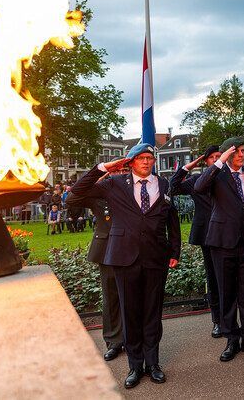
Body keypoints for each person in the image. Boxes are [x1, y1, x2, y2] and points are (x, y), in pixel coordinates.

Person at [71, 143, 181, 389]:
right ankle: (135, 366)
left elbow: (170, 219)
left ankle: (153, 363)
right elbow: (76, 193)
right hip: (124, 257)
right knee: (130, 313)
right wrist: (102, 168)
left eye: (150, 158)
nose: (146, 162)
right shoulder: (114, 184)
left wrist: (175, 250)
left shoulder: (163, 185)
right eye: (141, 158)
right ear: (130, 162)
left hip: (155, 258)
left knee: (152, 313)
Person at [194, 137, 244, 362]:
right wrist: (220, 162)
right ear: (227, 154)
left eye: (243, 151)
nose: (241, 155)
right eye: (236, 152)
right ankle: (231, 339)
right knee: (227, 293)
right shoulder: (217, 174)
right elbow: (198, 187)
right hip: (222, 242)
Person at [169, 145, 224, 338]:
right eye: (213, 157)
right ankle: (217, 321)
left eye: (220, 156)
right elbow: (173, 187)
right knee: (213, 277)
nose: (218, 159)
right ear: (206, 161)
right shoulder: (195, 181)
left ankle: (231, 318)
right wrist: (188, 166)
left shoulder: (229, 178)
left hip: (228, 234)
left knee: (229, 277)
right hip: (207, 235)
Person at [65, 183, 123, 362]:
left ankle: (131, 338)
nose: (119, 172)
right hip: (106, 248)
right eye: (115, 169)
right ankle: (114, 341)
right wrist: (98, 173)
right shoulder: (99, 192)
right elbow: (71, 198)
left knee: (131, 296)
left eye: (123, 168)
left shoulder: (132, 189)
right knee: (110, 295)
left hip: (129, 246)